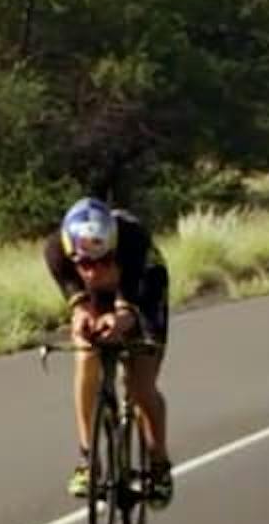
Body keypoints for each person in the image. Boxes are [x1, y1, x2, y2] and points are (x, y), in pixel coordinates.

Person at [45, 199, 175, 504]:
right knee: (85, 352)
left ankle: (159, 464)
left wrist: (121, 318)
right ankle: (87, 459)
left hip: (143, 288)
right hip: (100, 296)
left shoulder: (132, 242)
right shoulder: (55, 251)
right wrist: (83, 315)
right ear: (70, 254)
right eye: (85, 264)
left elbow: (128, 310)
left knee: (140, 385)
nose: (93, 271)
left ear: (114, 249)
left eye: (103, 261)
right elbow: (78, 303)